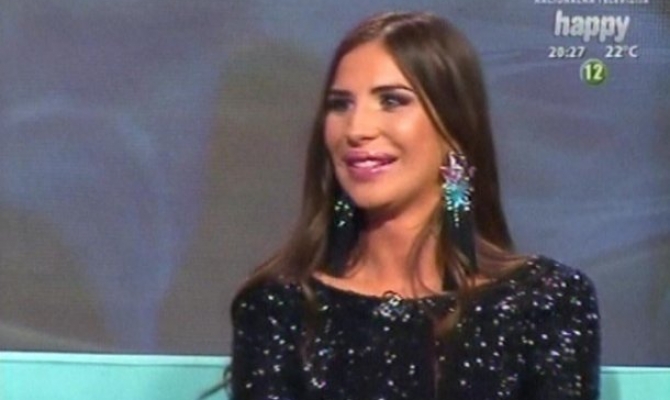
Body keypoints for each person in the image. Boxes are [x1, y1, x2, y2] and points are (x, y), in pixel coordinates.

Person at [227, 11, 600, 400]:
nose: (356, 129)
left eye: (392, 101)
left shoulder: (545, 302)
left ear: (455, 128)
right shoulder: (279, 307)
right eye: (340, 105)